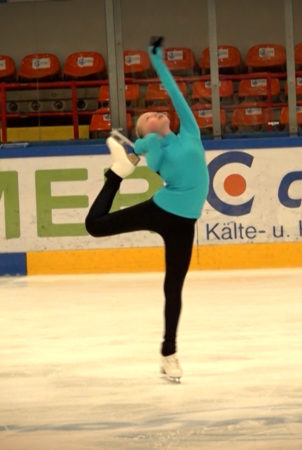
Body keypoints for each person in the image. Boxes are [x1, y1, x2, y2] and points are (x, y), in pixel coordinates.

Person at [84, 36, 209, 383]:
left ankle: (168, 354)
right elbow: (150, 149)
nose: (157, 113)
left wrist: (156, 61)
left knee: (173, 288)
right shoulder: (157, 152)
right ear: (147, 131)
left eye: (156, 112)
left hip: (184, 222)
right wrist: (138, 145)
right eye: (150, 117)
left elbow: (175, 94)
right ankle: (115, 176)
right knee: (95, 225)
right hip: (162, 210)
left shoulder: (191, 133)